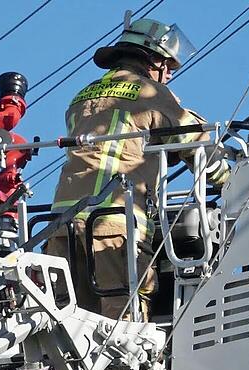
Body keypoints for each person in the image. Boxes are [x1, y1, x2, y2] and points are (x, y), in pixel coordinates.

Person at [46, 12, 229, 321]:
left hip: (62, 226)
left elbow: (115, 142)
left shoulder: (83, 95)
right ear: (151, 60)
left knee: (72, 322)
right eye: (168, 66)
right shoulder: (150, 93)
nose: (169, 74)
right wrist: (226, 177)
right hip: (114, 222)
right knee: (123, 322)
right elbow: (193, 140)